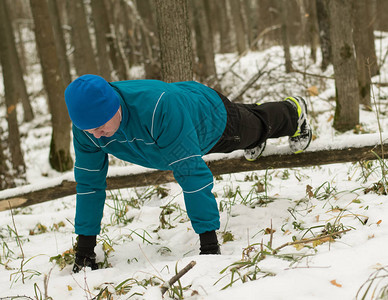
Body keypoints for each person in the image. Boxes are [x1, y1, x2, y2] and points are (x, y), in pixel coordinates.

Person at [64, 74, 312, 273]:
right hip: (182, 112)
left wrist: (209, 246)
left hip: (209, 119)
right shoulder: (87, 130)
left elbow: (191, 174)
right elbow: (89, 183)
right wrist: (85, 250)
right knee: (251, 123)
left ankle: (293, 110)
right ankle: (255, 132)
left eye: (99, 127)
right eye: (88, 130)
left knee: (256, 128)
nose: (95, 135)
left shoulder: (158, 109)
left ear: (115, 107)